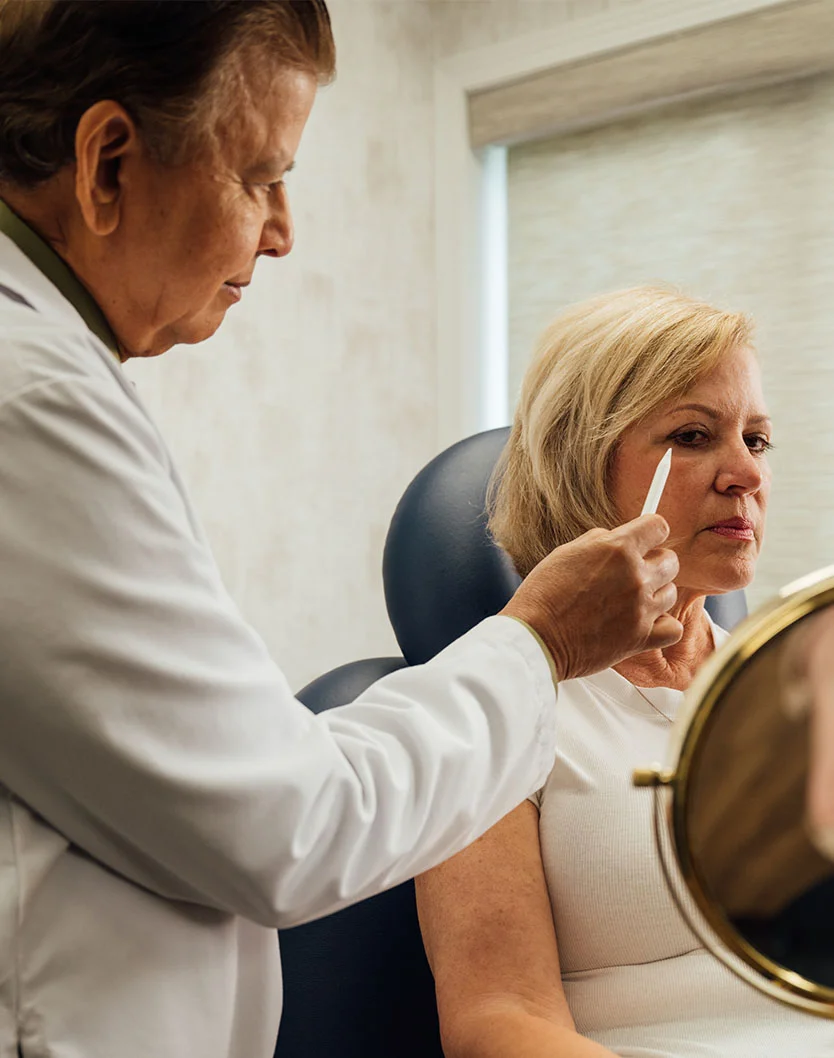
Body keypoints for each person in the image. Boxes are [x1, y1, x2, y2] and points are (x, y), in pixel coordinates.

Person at [0, 5, 682, 1058]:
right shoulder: (29, 406)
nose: (283, 230)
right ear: (106, 165)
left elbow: (255, 773)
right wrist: (539, 641)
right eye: (262, 176)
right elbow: (288, 824)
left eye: (764, 437)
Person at [416, 286, 834, 1056]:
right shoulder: (489, 713)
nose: (745, 472)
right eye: (694, 435)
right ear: (580, 465)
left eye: (758, 439)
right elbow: (497, 1022)